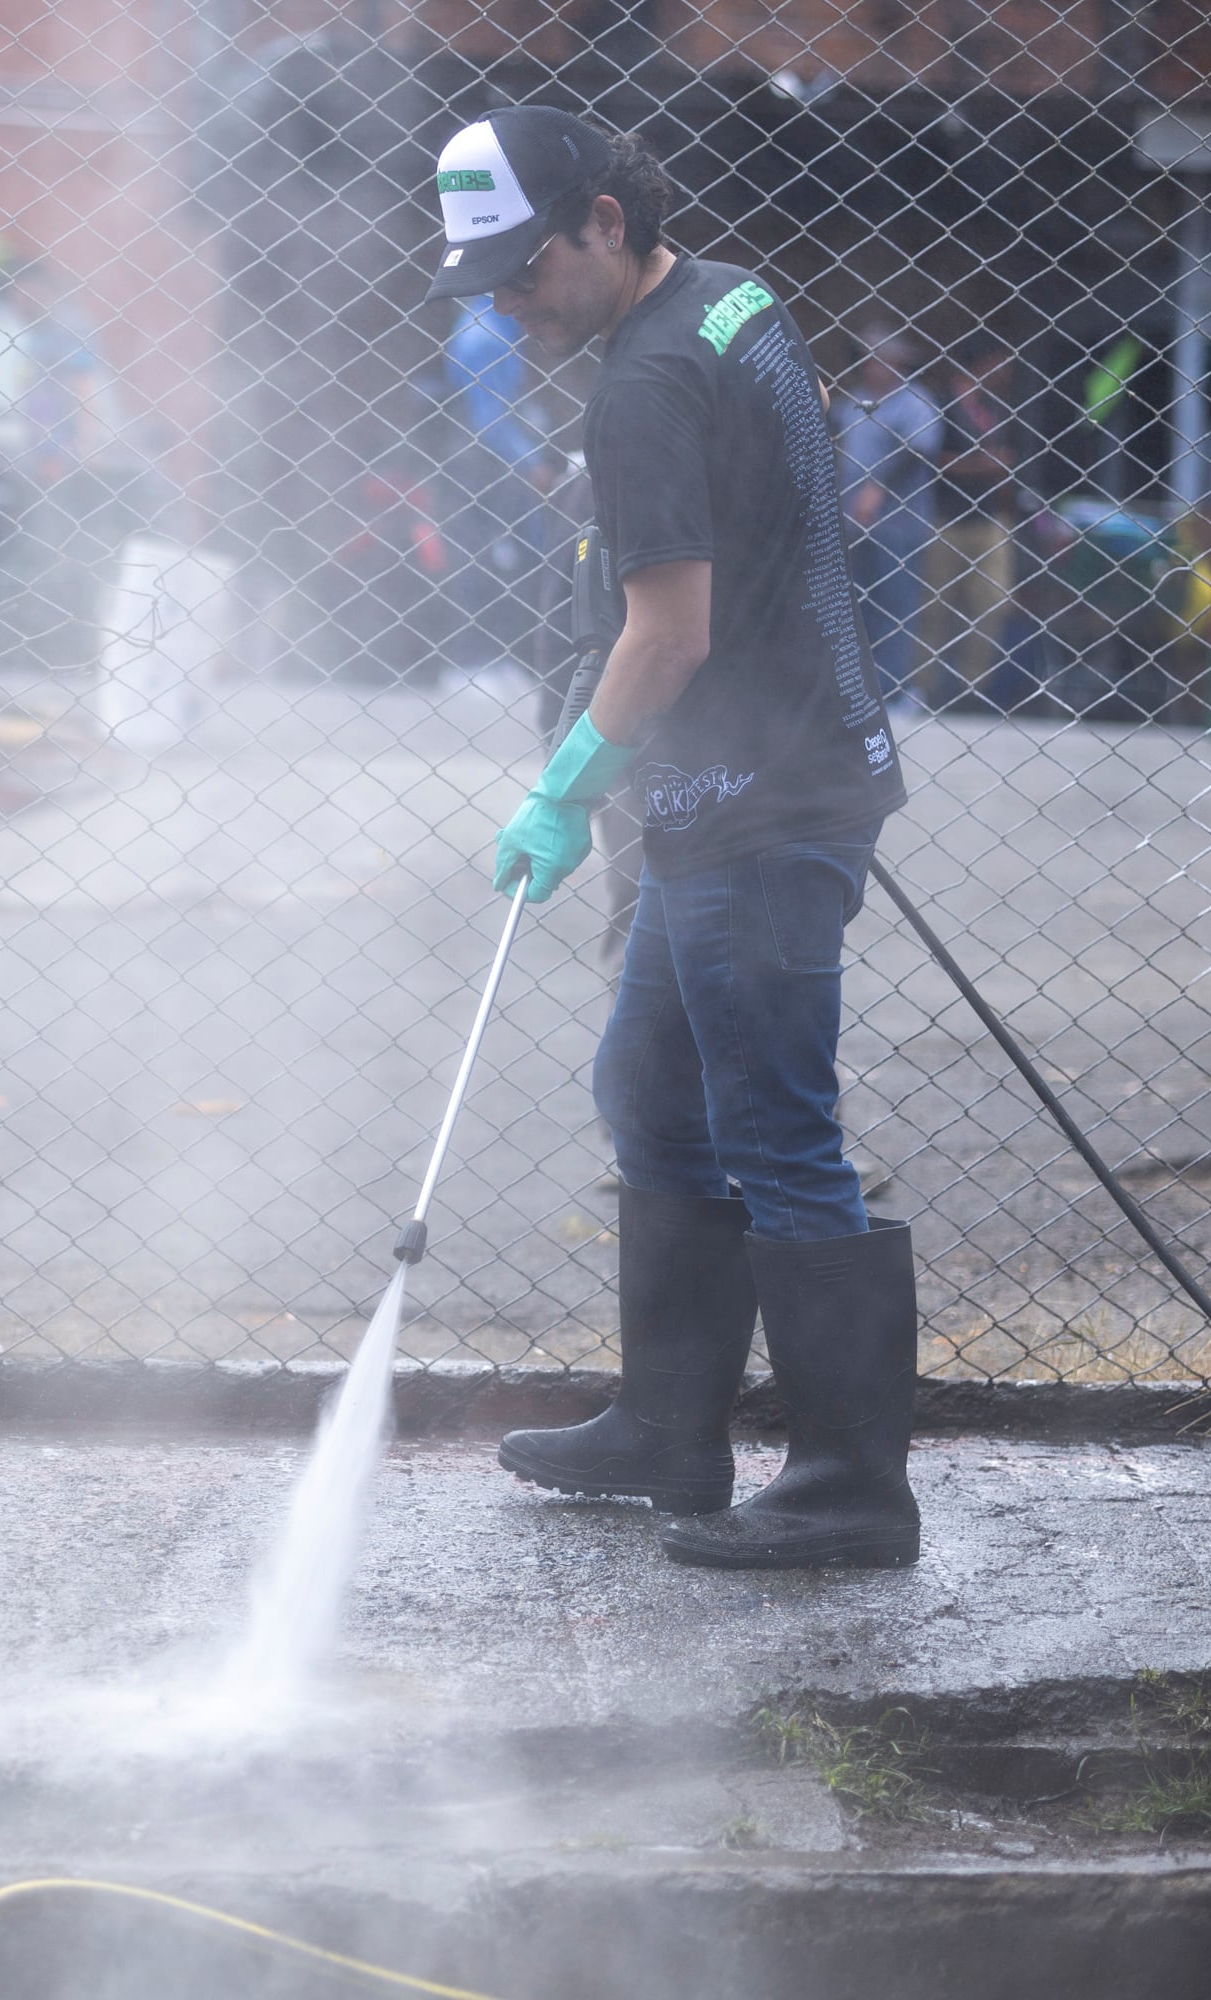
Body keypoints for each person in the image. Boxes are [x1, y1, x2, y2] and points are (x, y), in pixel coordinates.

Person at [420, 107, 917, 1568]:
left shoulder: (642, 384)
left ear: (607, 220)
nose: (509, 301)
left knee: (777, 1131)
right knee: (650, 1089)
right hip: (767, 786)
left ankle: (849, 1495)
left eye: (526, 266)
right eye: (486, 276)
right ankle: (668, 1430)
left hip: (760, 813)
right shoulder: (732, 294)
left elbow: (671, 634)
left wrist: (567, 786)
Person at [916, 334, 1026, 710]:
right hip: (946, 517)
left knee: (995, 600)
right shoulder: (943, 403)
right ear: (981, 364)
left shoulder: (996, 408)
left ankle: (972, 684)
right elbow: (933, 459)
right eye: (999, 362)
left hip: (989, 516)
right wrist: (984, 465)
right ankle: (924, 685)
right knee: (934, 605)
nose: (1006, 371)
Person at [835, 328, 942, 710]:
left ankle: (893, 690)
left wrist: (876, 488)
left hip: (899, 525)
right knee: (858, 607)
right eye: (868, 358)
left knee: (896, 607)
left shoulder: (913, 401)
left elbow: (920, 449)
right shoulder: (855, 402)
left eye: (881, 358)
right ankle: (860, 689)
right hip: (854, 523)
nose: (873, 366)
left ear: (899, 363)